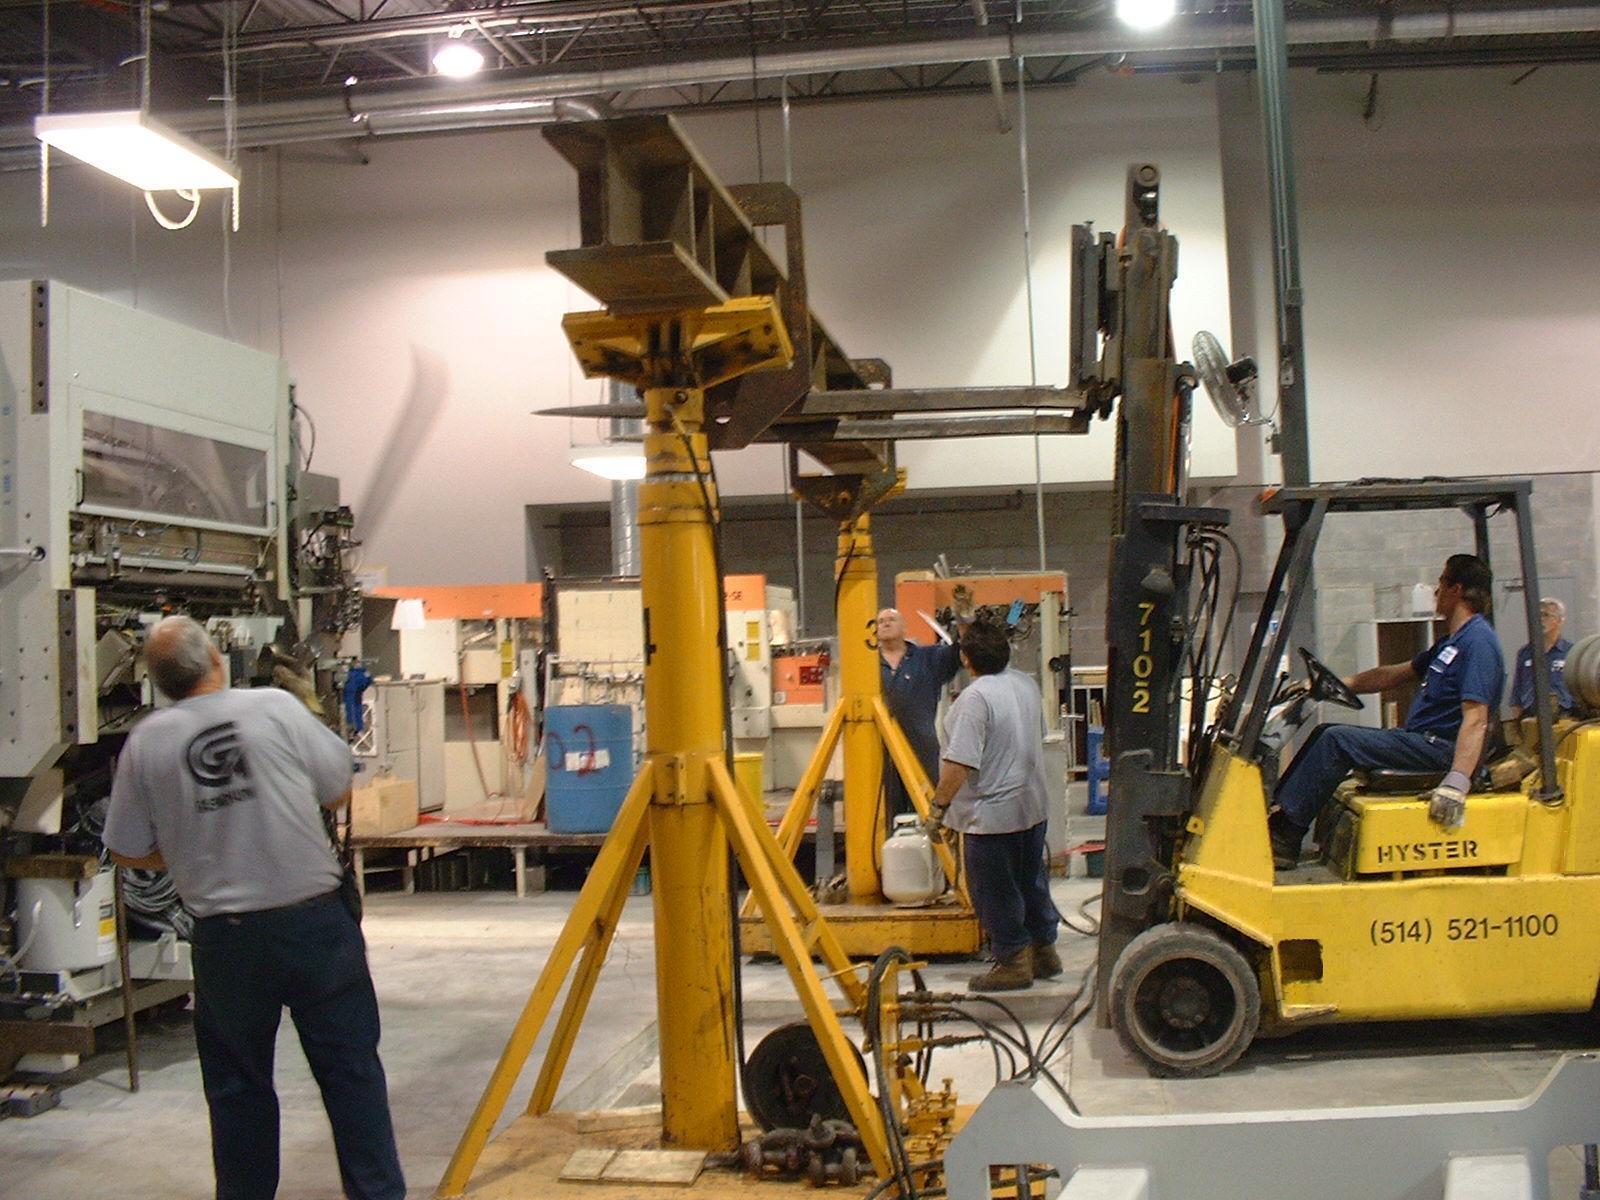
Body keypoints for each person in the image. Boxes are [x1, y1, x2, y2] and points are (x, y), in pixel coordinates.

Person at [102, 616, 406, 1200]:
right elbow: (339, 789)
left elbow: (127, 849)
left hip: (227, 940)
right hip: (314, 926)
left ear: (159, 683)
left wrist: (196, 849)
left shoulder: (146, 742)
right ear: (217, 657)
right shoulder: (274, 708)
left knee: (238, 1091)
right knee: (352, 1079)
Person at [1268, 554, 1504, 870]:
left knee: (1337, 740)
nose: (1435, 591)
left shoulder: (1479, 642)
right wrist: (1339, 682)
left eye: (1440, 583)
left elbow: (1477, 716)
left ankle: (1286, 834)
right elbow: (1393, 674)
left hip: (1440, 750)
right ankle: (1281, 816)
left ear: (1456, 589)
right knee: (1326, 732)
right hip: (1422, 741)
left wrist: (1457, 781)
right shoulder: (1452, 642)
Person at [926, 622, 1061, 992]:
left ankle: (1014, 960)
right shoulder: (1025, 683)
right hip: (1031, 808)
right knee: (1031, 882)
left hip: (992, 817)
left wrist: (938, 808)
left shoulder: (974, 699)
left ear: (966, 660)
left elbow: (961, 763)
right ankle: (1045, 952)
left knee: (995, 893)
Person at [877, 607, 963, 821]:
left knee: (927, 811)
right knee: (884, 816)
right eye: (881, 621)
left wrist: (963, 620)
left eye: (892, 619)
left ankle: (933, 852)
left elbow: (958, 654)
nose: (886, 624)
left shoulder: (927, 658)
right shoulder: (866, 665)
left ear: (905, 627)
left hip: (921, 751)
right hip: (879, 754)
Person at [1509, 597, 1574, 720]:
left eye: (1546, 615)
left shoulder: (1570, 652)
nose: (1540, 619)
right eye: (1538, 615)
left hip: (1564, 718)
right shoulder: (1525, 653)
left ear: (1560, 620)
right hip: (1531, 718)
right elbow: (1517, 693)